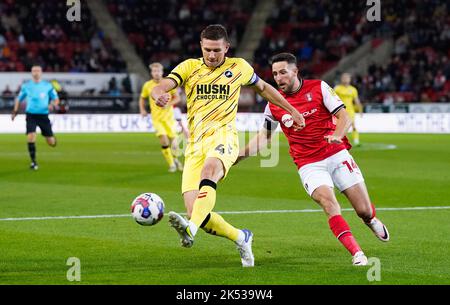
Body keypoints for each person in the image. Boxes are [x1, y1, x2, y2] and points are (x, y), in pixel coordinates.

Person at [151, 25, 305, 267]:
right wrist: (157, 94)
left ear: (226, 48)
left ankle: (190, 231)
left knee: (209, 171)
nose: (211, 55)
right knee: (196, 212)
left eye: (216, 50)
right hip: (195, 144)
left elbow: (264, 88)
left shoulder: (239, 67)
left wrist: (292, 109)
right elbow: (162, 85)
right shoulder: (189, 67)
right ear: (201, 47)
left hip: (224, 137)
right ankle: (241, 237)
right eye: (207, 50)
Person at [237, 53, 389, 266]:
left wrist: (337, 134)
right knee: (329, 203)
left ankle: (370, 219)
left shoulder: (318, 87)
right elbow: (264, 137)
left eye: (283, 72)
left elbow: (344, 116)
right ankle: (357, 253)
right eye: (274, 74)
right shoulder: (273, 105)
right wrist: (238, 156)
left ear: (295, 71)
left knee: (363, 210)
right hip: (308, 164)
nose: (278, 78)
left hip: (336, 154)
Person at [11, 65, 59, 170]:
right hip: (31, 115)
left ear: (41, 73)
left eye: (38, 70)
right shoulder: (26, 86)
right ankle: (33, 162)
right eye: (34, 71)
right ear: (31, 73)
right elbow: (18, 99)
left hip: (43, 115)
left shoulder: (48, 85)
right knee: (31, 136)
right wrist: (15, 111)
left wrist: (53, 104)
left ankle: (52, 138)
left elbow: (56, 99)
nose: (36, 72)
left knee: (51, 142)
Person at [140, 62, 183, 172]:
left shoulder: (168, 84)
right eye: (154, 71)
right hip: (157, 119)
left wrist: (169, 104)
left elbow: (178, 98)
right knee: (164, 141)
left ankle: (175, 159)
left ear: (162, 72)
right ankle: (172, 164)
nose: (156, 73)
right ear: (151, 72)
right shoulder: (147, 85)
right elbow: (142, 98)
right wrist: (142, 109)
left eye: (158, 71)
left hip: (169, 118)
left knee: (174, 144)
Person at [334, 73, 363, 146]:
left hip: (350, 110)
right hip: (340, 111)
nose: (345, 79)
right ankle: (338, 139)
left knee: (353, 125)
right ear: (341, 79)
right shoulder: (337, 88)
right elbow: (333, 99)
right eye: (344, 78)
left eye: (347, 78)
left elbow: (356, 100)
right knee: (339, 126)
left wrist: (360, 110)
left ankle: (356, 140)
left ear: (350, 79)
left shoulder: (353, 89)